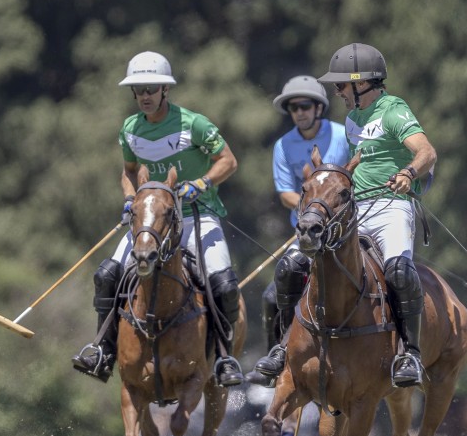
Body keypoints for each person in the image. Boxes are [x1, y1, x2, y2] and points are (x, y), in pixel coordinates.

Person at [71, 51, 244, 387]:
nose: (145, 96)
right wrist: (129, 199)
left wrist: (203, 183)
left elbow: (229, 161)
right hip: (150, 221)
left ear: (165, 90)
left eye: (151, 88)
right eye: (138, 90)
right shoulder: (130, 128)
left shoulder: (193, 123)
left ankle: (224, 356)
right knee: (107, 274)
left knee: (222, 283)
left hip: (197, 215)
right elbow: (129, 171)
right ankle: (102, 351)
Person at [277, 42, 434, 388]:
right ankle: (282, 344)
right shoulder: (351, 119)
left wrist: (408, 173)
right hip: (354, 208)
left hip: (392, 205)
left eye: (340, 86)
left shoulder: (393, 110)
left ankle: (410, 352)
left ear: (362, 83)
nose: (337, 92)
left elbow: (427, 152)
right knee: (293, 265)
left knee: (398, 269)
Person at [247, 75, 351, 388]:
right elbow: (285, 193)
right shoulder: (283, 146)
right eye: (293, 108)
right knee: (271, 294)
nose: (299, 112)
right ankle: (276, 354)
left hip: (344, 233)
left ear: (319, 107)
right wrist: (311, 209)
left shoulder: (343, 136)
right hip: (308, 232)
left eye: (305, 106)